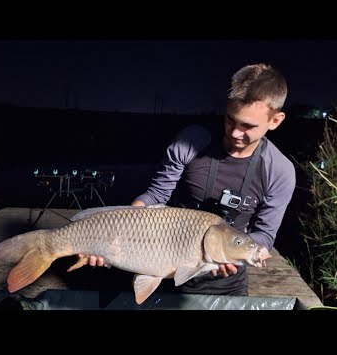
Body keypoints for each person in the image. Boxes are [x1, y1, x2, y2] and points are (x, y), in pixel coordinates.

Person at [82, 63, 296, 296]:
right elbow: (156, 195)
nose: (235, 132)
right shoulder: (191, 141)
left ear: (275, 120)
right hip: (160, 255)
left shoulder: (279, 171)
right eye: (230, 120)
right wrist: (115, 232)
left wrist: (231, 253)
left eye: (248, 126)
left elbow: (264, 234)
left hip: (226, 279)